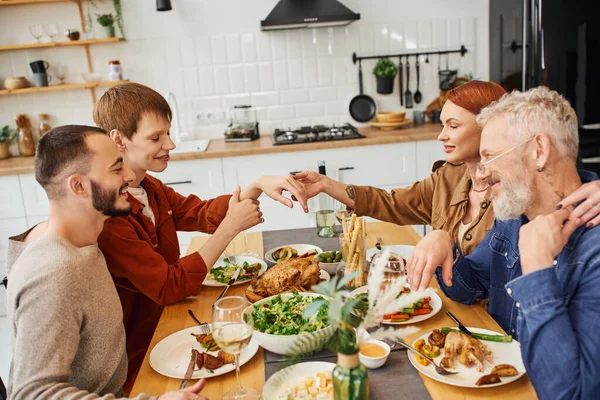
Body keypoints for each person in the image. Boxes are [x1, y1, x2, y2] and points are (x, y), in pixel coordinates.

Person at [92, 82, 309, 390]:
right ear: (119, 140)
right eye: (156, 137)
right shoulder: (110, 213)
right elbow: (170, 286)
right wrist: (230, 228)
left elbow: (200, 212)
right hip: (144, 355)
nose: (171, 144)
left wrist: (257, 185)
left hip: (171, 323)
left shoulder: (149, 187)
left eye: (168, 132)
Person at [406, 87, 600, 399]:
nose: (480, 175)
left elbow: (571, 394)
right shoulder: (513, 219)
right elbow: (471, 288)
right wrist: (446, 246)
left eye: (489, 157)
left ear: (538, 151)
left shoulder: (594, 253)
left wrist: (537, 272)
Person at [6, 125, 207, 400]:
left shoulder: (86, 240)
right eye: (116, 169)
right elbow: (31, 394)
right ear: (78, 186)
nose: (129, 175)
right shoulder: (54, 273)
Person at [293, 80, 507, 256]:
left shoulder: (514, 196)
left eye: (453, 126)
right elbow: (392, 203)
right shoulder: (448, 176)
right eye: (443, 125)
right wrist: (325, 184)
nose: (442, 136)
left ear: (488, 127)